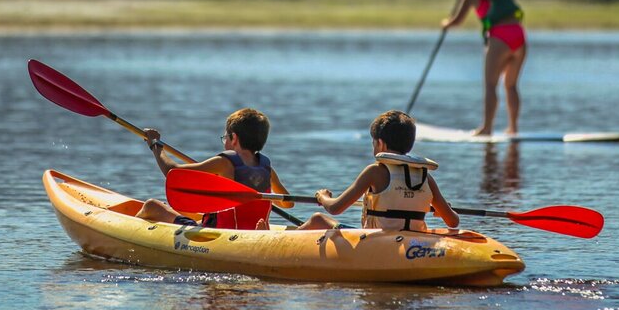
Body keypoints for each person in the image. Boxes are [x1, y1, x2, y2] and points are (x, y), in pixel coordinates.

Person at [297, 110, 460, 231]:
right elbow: (453, 222)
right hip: (413, 240)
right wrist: (441, 211)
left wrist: (322, 197)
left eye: (373, 143)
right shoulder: (426, 178)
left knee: (317, 219)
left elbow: (335, 208)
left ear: (380, 143)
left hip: (377, 242)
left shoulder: (375, 172)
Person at [136, 108, 292, 228]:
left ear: (234, 138)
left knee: (151, 205)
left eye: (225, 138)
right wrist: (258, 198)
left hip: (222, 235)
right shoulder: (266, 169)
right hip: (253, 232)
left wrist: (155, 145)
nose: (224, 142)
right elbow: (288, 203)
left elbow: (172, 172)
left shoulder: (224, 163)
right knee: (192, 211)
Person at [441, 0, 528, 136]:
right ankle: (513, 128)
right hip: (519, 35)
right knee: (511, 85)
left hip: (500, 37)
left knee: (490, 86)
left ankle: (487, 128)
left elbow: (457, 21)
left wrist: (445, 24)